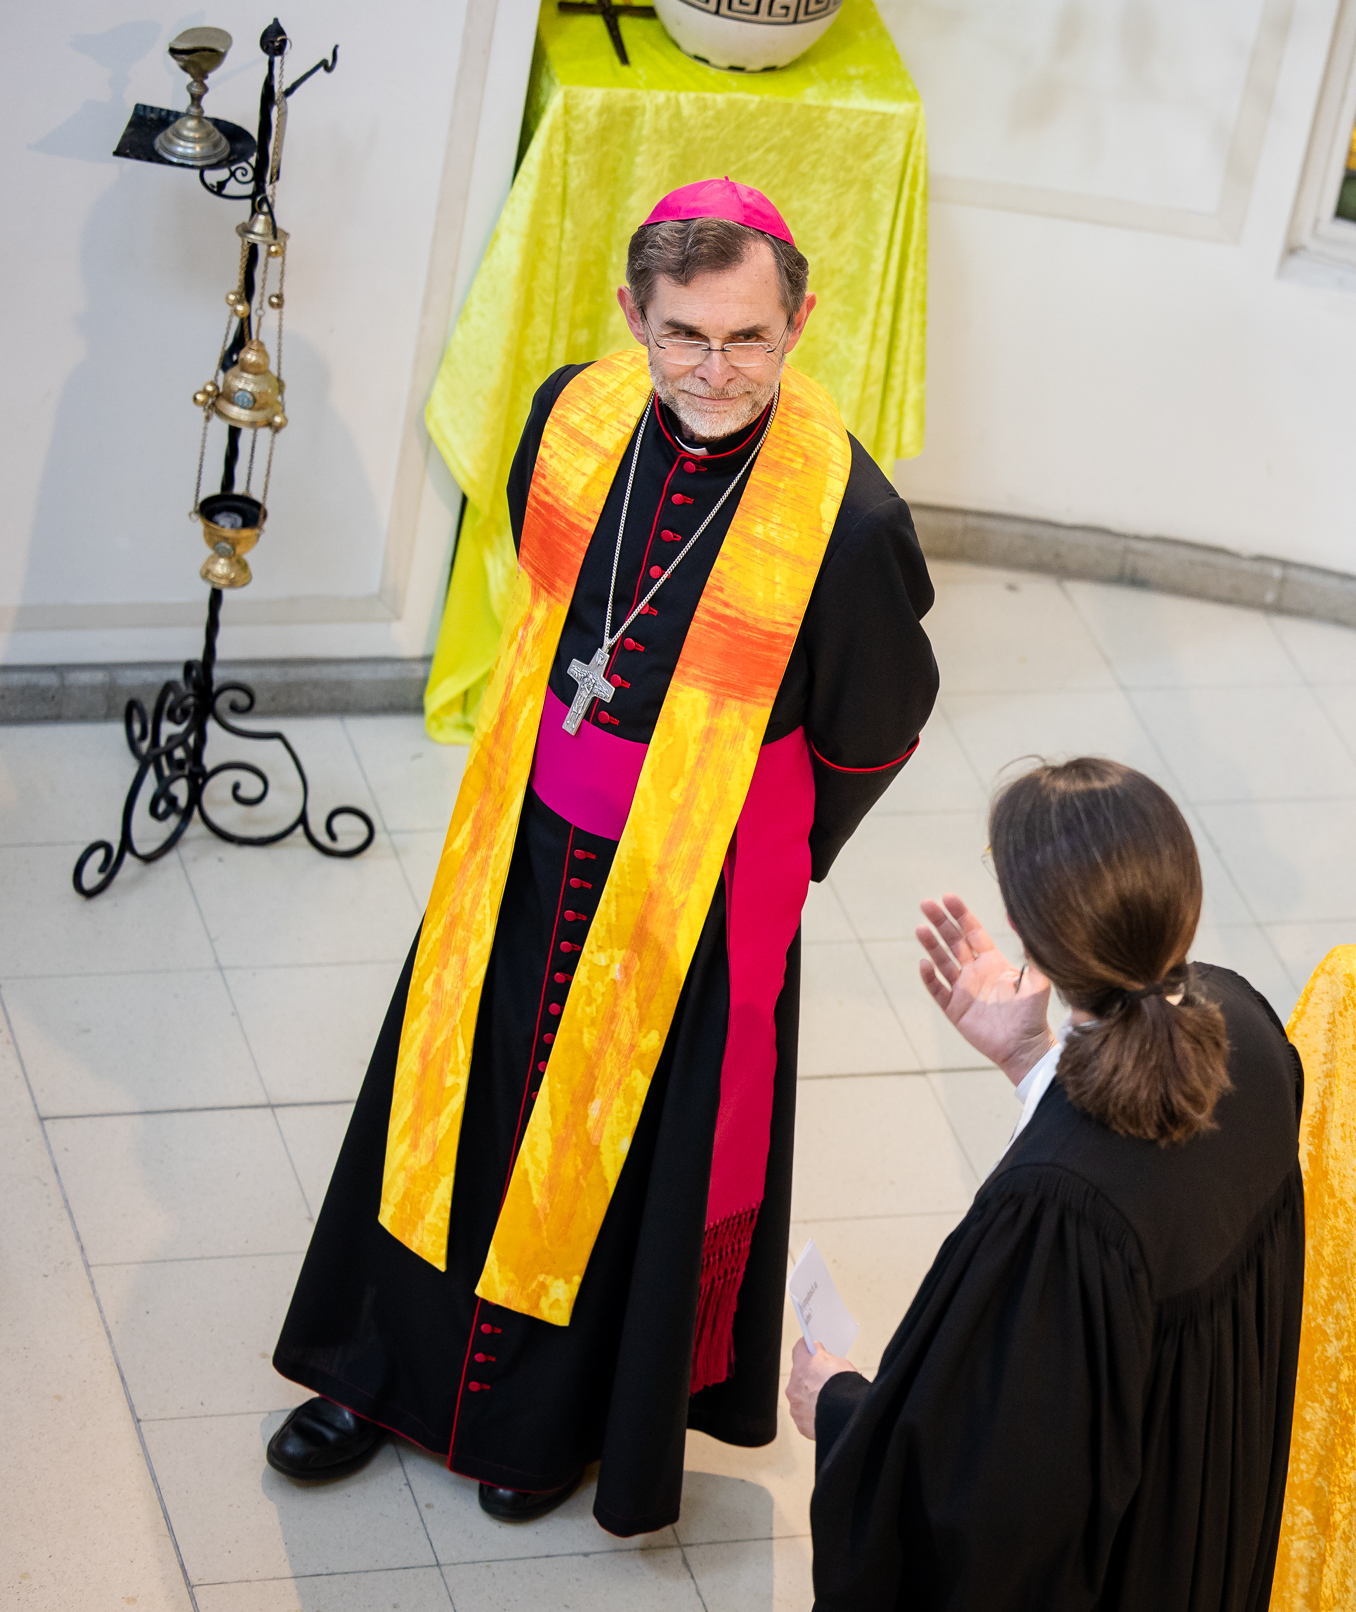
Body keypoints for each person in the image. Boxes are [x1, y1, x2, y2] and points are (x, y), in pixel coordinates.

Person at [265, 178, 940, 1534]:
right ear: (636, 312)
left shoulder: (850, 520)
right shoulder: (572, 416)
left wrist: (747, 841)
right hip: (523, 842)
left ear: (800, 321)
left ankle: (542, 1422)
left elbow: (876, 723)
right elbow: (546, 584)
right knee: (460, 1092)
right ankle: (380, 1368)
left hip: (688, 890)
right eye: (684, 333)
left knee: (613, 1151)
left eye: (748, 338)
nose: (714, 369)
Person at [787, 758, 1305, 1609]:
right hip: (1202, 1522)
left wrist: (841, 1409)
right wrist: (1033, 1060)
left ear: (1037, 944)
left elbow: (991, 1499)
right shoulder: (1247, 1024)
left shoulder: (1059, 1212)